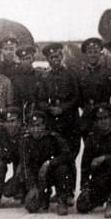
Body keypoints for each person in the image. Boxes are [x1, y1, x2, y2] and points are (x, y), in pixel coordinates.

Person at [37, 42, 82, 206]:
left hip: (70, 122)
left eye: (57, 56)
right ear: (47, 59)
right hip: (52, 123)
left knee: (70, 156)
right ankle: (59, 191)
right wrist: (49, 108)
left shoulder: (71, 75)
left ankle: (69, 192)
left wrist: (62, 109)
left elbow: (77, 98)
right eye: (51, 57)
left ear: (61, 57)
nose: (54, 60)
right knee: (55, 156)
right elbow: (40, 99)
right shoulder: (45, 77)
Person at [77, 37, 111, 188]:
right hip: (87, 122)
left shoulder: (108, 74)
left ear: (100, 53)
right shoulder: (81, 74)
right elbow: (77, 97)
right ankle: (89, 189)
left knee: (105, 156)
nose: (92, 54)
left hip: (104, 122)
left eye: (95, 51)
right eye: (89, 52)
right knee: (90, 155)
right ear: (86, 54)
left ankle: (107, 190)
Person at [76, 106, 111, 219]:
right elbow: (85, 166)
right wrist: (85, 187)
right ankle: (109, 197)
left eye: (106, 118)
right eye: (100, 119)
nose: (104, 121)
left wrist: (105, 158)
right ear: (95, 122)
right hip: (100, 178)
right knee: (82, 206)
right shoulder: (91, 139)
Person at [20, 109, 72, 215]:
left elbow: (67, 155)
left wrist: (50, 163)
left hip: (53, 173)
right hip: (38, 177)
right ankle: (44, 195)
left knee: (62, 169)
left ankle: (62, 200)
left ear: (44, 126)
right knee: (31, 206)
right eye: (32, 126)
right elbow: (25, 166)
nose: (36, 129)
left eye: (38, 126)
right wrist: (32, 186)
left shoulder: (53, 138)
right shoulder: (25, 141)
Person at [0, 106, 26, 203]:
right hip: (16, 164)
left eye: (13, 121)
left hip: (29, 166)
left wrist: (20, 170)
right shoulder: (3, 134)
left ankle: (24, 190)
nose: (10, 124)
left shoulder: (25, 134)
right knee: (7, 191)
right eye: (7, 121)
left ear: (19, 122)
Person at [11, 46, 40, 116]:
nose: (26, 61)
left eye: (28, 58)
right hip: (20, 112)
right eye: (23, 59)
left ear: (33, 59)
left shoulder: (39, 75)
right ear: (20, 60)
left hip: (37, 111)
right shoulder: (15, 76)